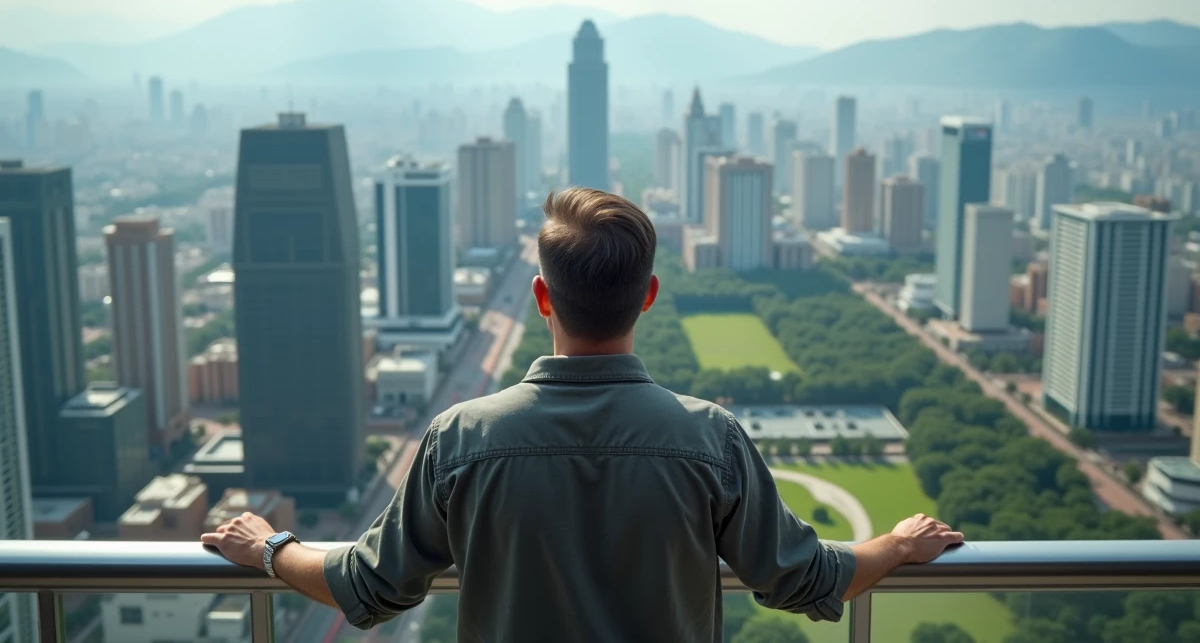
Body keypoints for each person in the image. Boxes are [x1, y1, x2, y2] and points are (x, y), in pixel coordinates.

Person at [202, 187, 963, 641]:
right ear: (649, 296)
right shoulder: (710, 439)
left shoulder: (461, 438)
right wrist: (897, 545)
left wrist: (270, 549)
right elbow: (806, 578)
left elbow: (369, 587)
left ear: (541, 297)